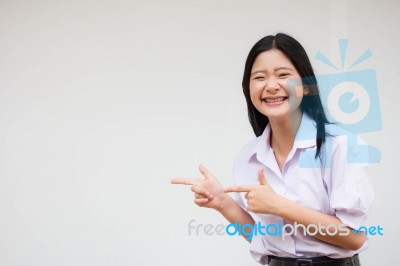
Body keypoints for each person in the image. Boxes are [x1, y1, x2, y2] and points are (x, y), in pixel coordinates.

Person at [171, 33, 374, 266]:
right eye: (259, 77)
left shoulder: (340, 146)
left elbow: (354, 237)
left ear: (307, 87)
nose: (271, 86)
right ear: (248, 89)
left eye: (283, 75)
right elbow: (261, 238)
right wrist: (222, 202)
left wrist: (280, 206)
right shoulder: (248, 157)